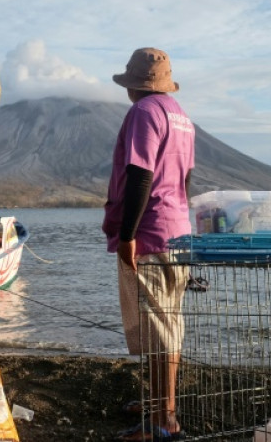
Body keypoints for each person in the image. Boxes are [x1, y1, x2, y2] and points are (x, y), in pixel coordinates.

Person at [102, 48, 195, 441]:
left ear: (133, 86)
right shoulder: (180, 115)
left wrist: (127, 236)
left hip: (151, 231)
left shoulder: (142, 112)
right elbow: (186, 180)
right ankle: (159, 404)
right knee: (169, 322)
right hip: (178, 230)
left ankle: (163, 421)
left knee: (158, 330)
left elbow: (140, 175)